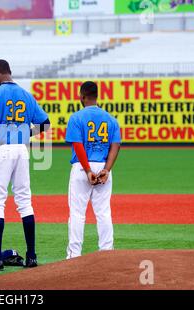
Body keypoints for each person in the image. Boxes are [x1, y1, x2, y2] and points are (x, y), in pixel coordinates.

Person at [0, 59, 50, 271]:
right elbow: (45, 123)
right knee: (25, 202)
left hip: (2, 149)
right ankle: (32, 256)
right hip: (21, 150)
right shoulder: (26, 95)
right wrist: (26, 133)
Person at [65, 81, 121, 259]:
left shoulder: (76, 117)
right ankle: (106, 251)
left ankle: (74, 254)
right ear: (97, 96)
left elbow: (78, 145)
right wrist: (107, 169)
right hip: (103, 166)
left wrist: (88, 170)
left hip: (82, 168)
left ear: (82, 96)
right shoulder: (111, 119)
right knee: (103, 212)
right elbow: (116, 145)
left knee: (77, 213)